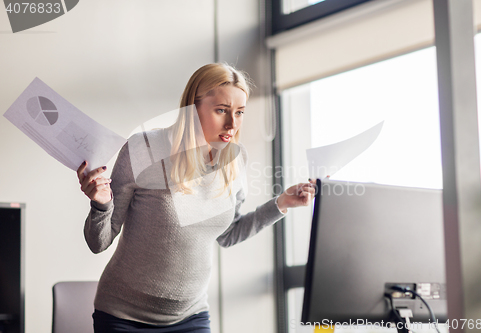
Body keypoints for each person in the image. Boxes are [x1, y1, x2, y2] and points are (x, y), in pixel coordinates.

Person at [77, 63, 316, 333]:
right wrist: (101, 203)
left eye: (239, 112)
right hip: (123, 316)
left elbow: (228, 234)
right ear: (193, 106)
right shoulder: (143, 149)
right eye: (221, 110)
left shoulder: (236, 159)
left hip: (191, 316)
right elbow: (99, 242)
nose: (232, 124)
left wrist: (281, 203)